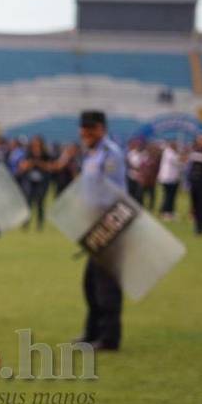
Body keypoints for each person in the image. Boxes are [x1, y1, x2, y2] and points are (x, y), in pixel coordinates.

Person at [75, 110, 127, 351]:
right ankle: (93, 331)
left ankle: (109, 338)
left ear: (101, 129)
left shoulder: (110, 154)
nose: (85, 133)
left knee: (106, 285)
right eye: (83, 129)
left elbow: (113, 196)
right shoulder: (92, 154)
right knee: (91, 283)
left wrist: (106, 228)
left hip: (108, 225)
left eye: (90, 129)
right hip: (94, 226)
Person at [17, 135, 51, 230]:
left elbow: (50, 167)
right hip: (29, 181)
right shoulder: (28, 154)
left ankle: (39, 225)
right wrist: (31, 163)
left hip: (42, 182)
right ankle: (26, 223)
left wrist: (39, 163)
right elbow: (22, 166)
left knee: (40, 203)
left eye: (38, 143)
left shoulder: (45, 155)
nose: (36, 145)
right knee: (28, 203)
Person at [187, 132, 202, 235]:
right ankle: (196, 227)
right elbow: (191, 168)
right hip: (194, 183)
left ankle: (201, 228)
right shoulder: (195, 152)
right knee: (195, 205)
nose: (200, 142)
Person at [157, 141, 183, 220]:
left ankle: (170, 211)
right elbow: (177, 161)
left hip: (172, 178)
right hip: (168, 178)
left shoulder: (170, 152)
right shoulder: (169, 152)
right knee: (169, 196)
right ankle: (165, 212)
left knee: (171, 196)